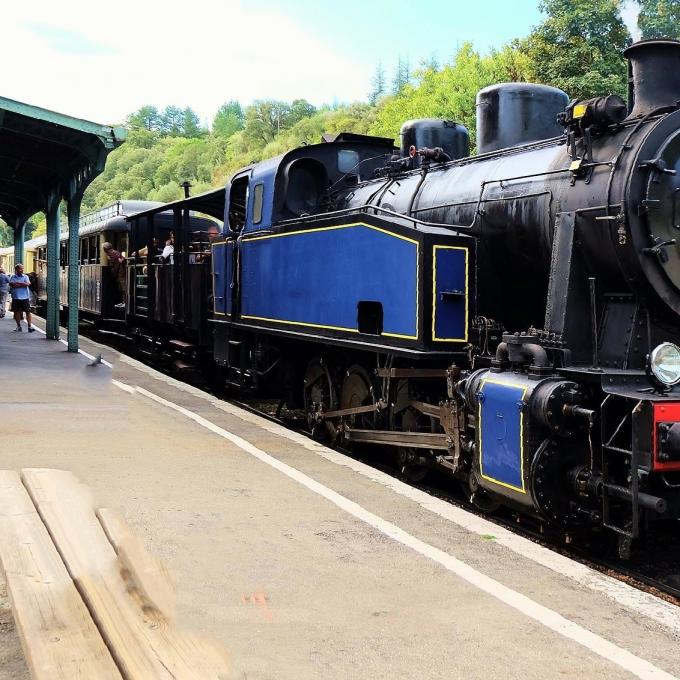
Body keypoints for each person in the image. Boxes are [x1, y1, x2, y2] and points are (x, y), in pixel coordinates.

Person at [9, 263, 34, 332]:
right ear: (16, 270)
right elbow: (11, 284)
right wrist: (22, 284)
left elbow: (28, 284)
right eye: (20, 269)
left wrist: (17, 284)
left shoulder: (26, 276)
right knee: (16, 312)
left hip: (25, 297)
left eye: (22, 268)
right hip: (16, 297)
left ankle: (29, 326)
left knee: (28, 311)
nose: (21, 270)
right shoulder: (13, 276)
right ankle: (18, 326)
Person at [102, 242, 127, 309]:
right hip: (121, 272)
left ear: (105, 249)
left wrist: (113, 273)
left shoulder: (112, 254)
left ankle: (125, 302)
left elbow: (115, 265)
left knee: (123, 288)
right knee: (122, 288)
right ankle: (124, 302)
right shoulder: (115, 252)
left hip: (120, 273)